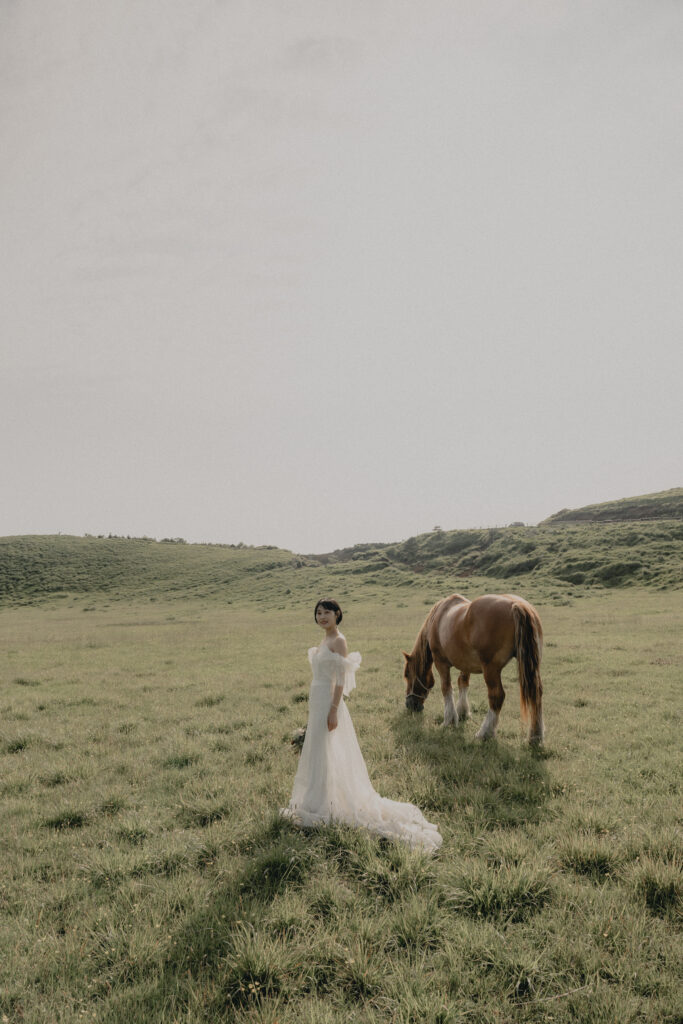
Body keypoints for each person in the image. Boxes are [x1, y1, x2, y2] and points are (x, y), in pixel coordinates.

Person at [281, 599, 442, 853]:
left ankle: (331, 802)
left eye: (327, 613)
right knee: (318, 751)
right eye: (318, 613)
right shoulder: (324, 640)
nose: (322, 617)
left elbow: (340, 680)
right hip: (317, 699)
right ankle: (316, 798)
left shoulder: (338, 641)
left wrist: (333, 710)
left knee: (328, 749)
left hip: (329, 703)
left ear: (338, 615)